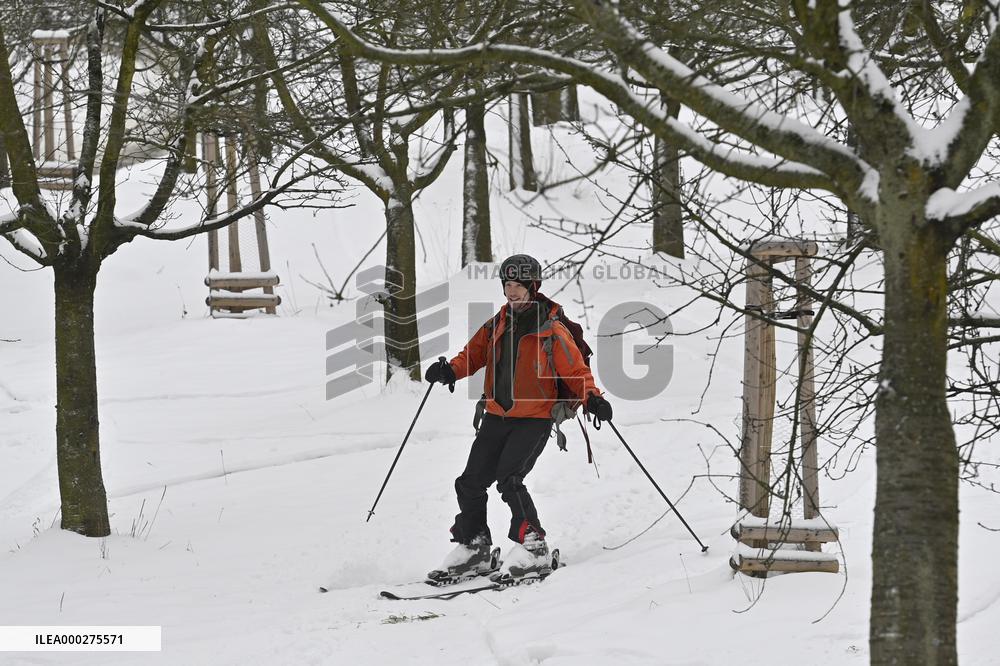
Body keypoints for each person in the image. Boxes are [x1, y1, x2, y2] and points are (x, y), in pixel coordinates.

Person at [424, 254, 613, 581]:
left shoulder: (551, 329)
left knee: (510, 479)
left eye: (518, 286)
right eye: (507, 285)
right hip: (497, 415)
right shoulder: (498, 322)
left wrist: (592, 398)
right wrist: (449, 370)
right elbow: (473, 355)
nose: (511, 291)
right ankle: (475, 547)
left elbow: (575, 370)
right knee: (470, 482)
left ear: (533, 286)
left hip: (535, 418)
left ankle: (534, 547)